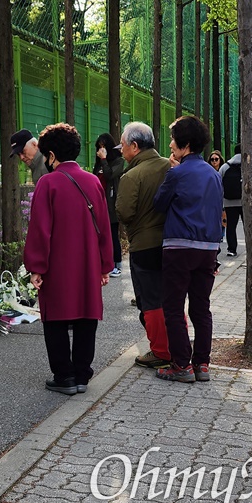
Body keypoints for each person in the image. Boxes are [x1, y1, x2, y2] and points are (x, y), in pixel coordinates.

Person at [24, 123, 113, 395]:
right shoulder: (93, 181)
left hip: (58, 263)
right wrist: (105, 265)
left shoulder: (47, 183)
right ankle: (82, 375)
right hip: (88, 261)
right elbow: (104, 226)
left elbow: (40, 229)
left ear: (51, 155)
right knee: (87, 313)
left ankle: (64, 376)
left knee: (56, 316)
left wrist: (36, 267)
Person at [153, 116, 224, 383]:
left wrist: (172, 172)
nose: (170, 144)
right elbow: (218, 212)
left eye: (173, 140)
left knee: (172, 307)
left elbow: (159, 204)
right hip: (208, 249)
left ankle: (181, 364)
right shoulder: (214, 175)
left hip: (179, 247)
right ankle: (202, 364)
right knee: (201, 308)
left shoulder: (176, 173)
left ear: (185, 144)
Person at [115, 122, 172, 369]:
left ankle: (160, 350)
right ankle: (176, 345)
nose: (121, 150)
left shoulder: (132, 175)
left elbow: (124, 213)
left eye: (124, 145)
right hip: (172, 242)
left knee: (150, 300)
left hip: (144, 245)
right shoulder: (171, 167)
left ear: (135, 147)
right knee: (172, 297)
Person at [93, 132, 125, 277]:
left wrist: (104, 159)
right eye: (99, 147)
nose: (101, 150)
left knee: (112, 234)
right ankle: (103, 263)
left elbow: (109, 175)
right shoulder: (98, 162)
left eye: (104, 147)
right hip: (98, 203)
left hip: (111, 204)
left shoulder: (118, 161)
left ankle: (117, 264)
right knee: (100, 235)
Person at [219, 144, 243, 256]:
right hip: (245, 202)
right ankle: (251, 247)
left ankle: (232, 249)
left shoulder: (225, 166)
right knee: (247, 225)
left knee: (231, 226)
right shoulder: (248, 165)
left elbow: (219, 184)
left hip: (228, 202)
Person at [209, 150, 226, 241]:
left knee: (222, 216)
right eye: (212, 159)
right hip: (211, 197)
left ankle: (221, 234)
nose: (214, 161)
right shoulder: (208, 172)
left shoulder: (223, 170)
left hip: (221, 196)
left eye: (216, 159)